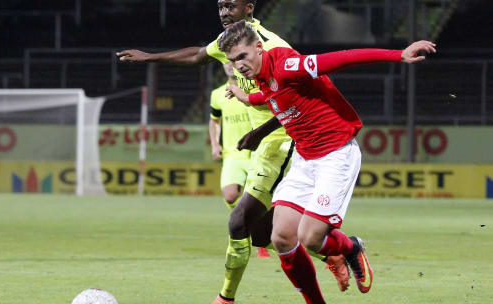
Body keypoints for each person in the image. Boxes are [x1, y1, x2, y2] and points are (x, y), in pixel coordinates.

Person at [117, 1, 350, 302]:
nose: (223, 12)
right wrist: (150, 57)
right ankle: (338, 248)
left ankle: (226, 298)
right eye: (220, 6)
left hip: (283, 141)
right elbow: (199, 55)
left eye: (231, 6)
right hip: (262, 146)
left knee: (239, 220)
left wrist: (259, 132)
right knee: (266, 235)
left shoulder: (272, 45)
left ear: (249, 8)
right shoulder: (231, 41)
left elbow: (300, 98)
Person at [221, 20, 436, 303]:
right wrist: (246, 97)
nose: (238, 65)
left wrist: (398, 54)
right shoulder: (263, 75)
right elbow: (271, 95)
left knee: (310, 238)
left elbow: (340, 59)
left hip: (336, 155)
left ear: (259, 48)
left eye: (242, 56)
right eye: (233, 60)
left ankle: (350, 247)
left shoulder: (287, 66)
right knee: (282, 237)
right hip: (305, 158)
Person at [209, 64, 271, 258]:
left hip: (256, 154)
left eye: (233, 62)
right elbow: (214, 120)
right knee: (229, 195)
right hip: (232, 155)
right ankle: (248, 225)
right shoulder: (217, 94)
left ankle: (256, 234)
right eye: (225, 61)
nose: (229, 65)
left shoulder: (253, 91)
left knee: (257, 200)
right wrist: (214, 144)